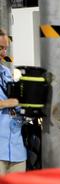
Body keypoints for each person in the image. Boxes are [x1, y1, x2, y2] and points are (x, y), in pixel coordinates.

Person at [0, 28, 25, 175]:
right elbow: (10, 102)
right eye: (0, 48)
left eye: (5, 48)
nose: (4, 53)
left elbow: (16, 101)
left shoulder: (7, 73)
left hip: (17, 151)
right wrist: (6, 103)